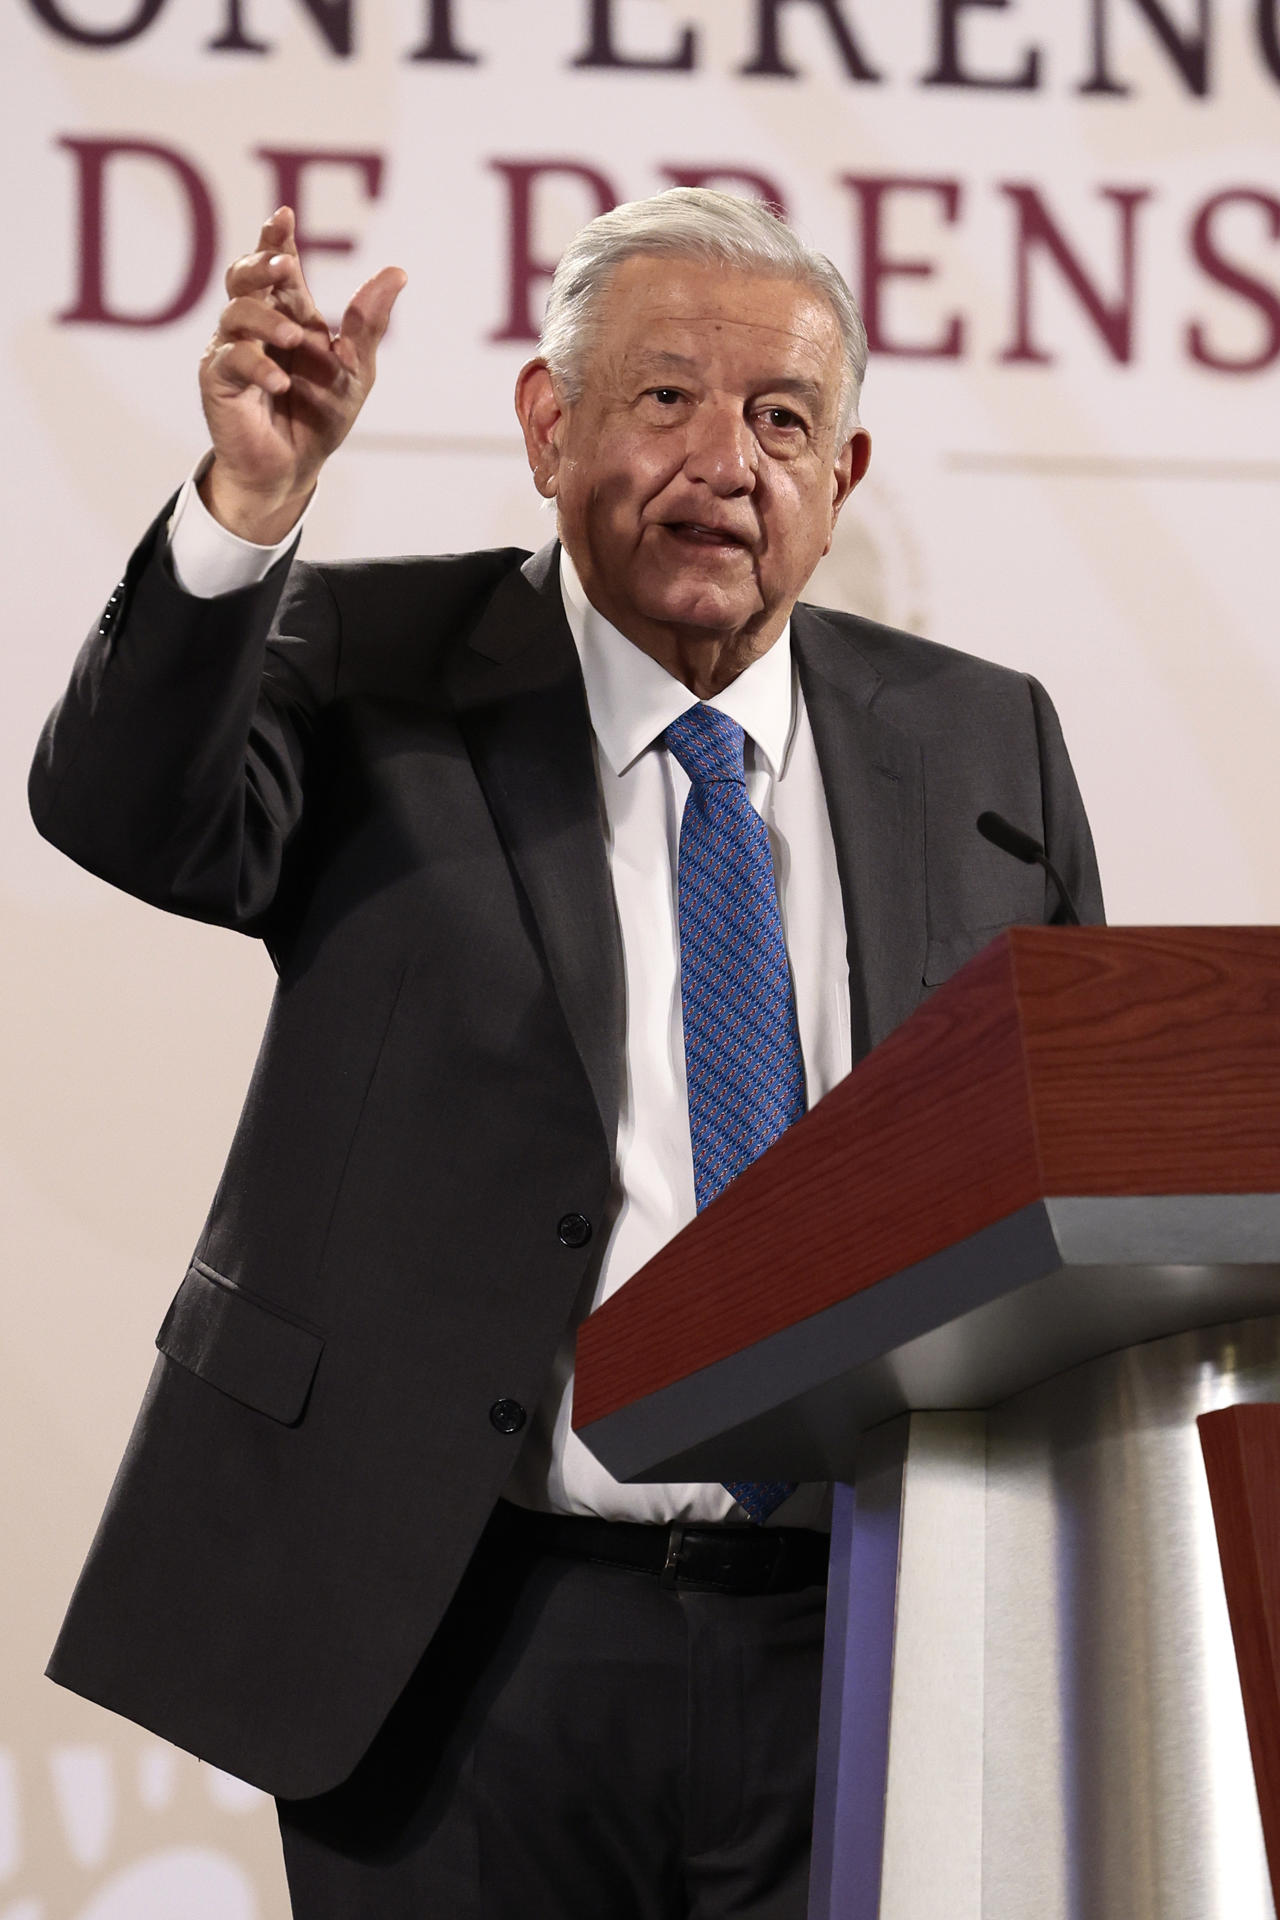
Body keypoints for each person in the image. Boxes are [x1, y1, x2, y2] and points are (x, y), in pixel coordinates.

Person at [30, 189, 1103, 1918]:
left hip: (873, 1638)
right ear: (548, 427)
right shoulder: (374, 670)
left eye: (780, 420)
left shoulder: (984, 740)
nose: (724, 463)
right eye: (663, 398)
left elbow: (1070, 1173)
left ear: (844, 473)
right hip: (458, 1639)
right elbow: (122, 810)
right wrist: (250, 507)